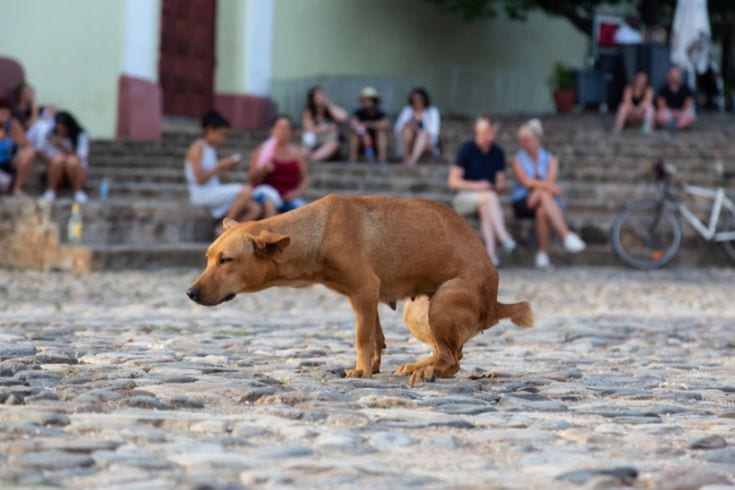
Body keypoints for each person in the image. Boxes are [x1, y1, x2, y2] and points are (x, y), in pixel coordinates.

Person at [511, 119, 586, 269]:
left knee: (541, 210)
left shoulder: (550, 158)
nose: (524, 143)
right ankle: (566, 235)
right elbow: (527, 182)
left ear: (537, 139)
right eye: (522, 141)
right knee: (545, 195)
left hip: (542, 202)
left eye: (527, 140)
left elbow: (547, 182)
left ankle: (542, 255)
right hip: (523, 201)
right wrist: (548, 188)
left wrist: (539, 190)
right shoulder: (518, 158)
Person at [448, 114, 516, 266]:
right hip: (464, 198)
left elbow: (500, 182)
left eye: (492, 132)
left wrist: (496, 185)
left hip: (486, 199)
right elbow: (453, 181)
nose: (489, 136)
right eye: (486, 132)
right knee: (489, 198)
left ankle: (491, 254)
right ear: (478, 131)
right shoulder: (467, 149)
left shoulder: (497, 152)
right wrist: (479, 185)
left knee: (487, 205)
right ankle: (503, 237)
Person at [184, 110, 261, 233]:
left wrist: (225, 169)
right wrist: (219, 166)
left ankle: (228, 233)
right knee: (246, 191)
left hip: (213, 190)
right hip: (201, 193)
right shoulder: (196, 149)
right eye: (221, 134)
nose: (222, 139)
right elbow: (199, 180)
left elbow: (212, 176)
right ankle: (221, 228)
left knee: (254, 209)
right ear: (209, 129)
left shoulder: (210, 149)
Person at [250, 115, 310, 217]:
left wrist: (296, 193)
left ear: (291, 131)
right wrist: (263, 170)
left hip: (288, 196)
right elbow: (251, 178)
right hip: (266, 193)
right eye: (280, 127)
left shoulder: (297, 153)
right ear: (272, 130)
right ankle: (270, 232)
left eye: (287, 128)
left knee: (306, 210)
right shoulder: (262, 151)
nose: (283, 131)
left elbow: (305, 179)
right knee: (270, 203)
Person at [39, 112, 91, 203]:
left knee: (72, 162)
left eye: (63, 128)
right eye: (58, 128)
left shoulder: (81, 135)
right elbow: (49, 159)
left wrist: (61, 147)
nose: (60, 131)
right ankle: (51, 191)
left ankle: (78, 191)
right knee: (57, 160)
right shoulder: (51, 136)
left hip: (76, 171)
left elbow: (80, 157)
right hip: (58, 172)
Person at [394, 87, 440, 167]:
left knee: (423, 133)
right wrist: (409, 127)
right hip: (409, 142)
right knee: (406, 130)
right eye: (414, 99)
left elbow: (433, 132)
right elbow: (398, 128)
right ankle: (406, 156)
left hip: (427, 144)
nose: (417, 102)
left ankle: (412, 160)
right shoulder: (407, 110)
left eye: (419, 99)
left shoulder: (432, 111)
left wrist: (417, 130)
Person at [301, 86, 348, 162]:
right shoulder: (309, 111)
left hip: (329, 139)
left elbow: (343, 117)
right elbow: (308, 128)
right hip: (314, 138)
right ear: (312, 98)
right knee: (307, 140)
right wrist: (328, 128)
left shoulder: (330, 108)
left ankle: (312, 158)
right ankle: (306, 158)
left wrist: (330, 106)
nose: (321, 98)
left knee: (334, 143)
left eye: (322, 95)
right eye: (318, 96)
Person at [0, 97, 35, 197]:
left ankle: (17, 188)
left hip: (7, 166)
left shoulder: (12, 124)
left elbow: (26, 145)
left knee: (30, 152)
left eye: (7, 113)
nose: (4, 115)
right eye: (2, 112)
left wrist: (12, 136)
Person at [349, 87, 389, 163]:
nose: (366, 102)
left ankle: (382, 160)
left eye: (369, 100)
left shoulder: (380, 113)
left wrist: (369, 124)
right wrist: (364, 134)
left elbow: (385, 124)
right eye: (364, 100)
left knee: (381, 134)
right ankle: (352, 160)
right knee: (354, 135)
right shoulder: (358, 113)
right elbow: (353, 124)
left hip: (376, 142)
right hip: (361, 141)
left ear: (374, 101)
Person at [11, 82, 55, 150]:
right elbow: (29, 125)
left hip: (36, 137)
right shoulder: (16, 111)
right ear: (21, 95)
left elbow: (51, 111)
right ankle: (39, 150)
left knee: (49, 118)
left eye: (32, 92)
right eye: (28, 92)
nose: (31, 95)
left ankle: (46, 148)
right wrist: (34, 109)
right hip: (24, 137)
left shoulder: (32, 108)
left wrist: (50, 111)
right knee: (42, 125)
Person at [656, 66, 696, 130]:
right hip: (669, 112)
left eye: (676, 75)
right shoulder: (664, 89)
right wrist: (672, 112)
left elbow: (689, 103)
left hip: (682, 112)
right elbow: (661, 104)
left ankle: (675, 126)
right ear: (669, 76)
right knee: (659, 116)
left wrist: (679, 112)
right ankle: (672, 125)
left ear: (679, 76)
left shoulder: (685, 88)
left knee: (690, 116)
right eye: (672, 75)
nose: (674, 77)